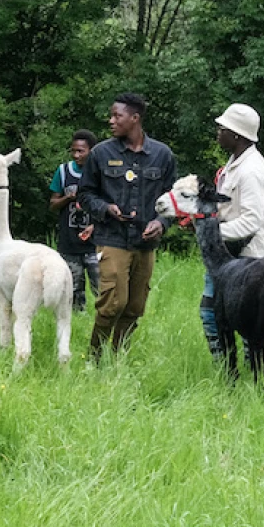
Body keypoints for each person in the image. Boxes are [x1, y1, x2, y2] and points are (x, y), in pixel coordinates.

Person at [78, 92, 177, 360]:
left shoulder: (162, 155)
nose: (111, 121)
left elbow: (173, 199)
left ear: (134, 118)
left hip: (145, 243)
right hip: (112, 238)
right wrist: (106, 209)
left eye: (116, 116)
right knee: (113, 303)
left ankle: (118, 356)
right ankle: (94, 358)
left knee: (134, 306)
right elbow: (85, 194)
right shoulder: (101, 153)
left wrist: (161, 223)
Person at [201, 103, 264, 359]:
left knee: (234, 315)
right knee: (215, 311)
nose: (218, 132)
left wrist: (211, 232)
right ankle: (229, 368)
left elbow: (251, 221)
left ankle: (239, 367)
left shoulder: (251, 170)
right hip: (231, 254)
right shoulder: (237, 162)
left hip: (249, 258)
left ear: (236, 135)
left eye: (222, 128)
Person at [49, 129, 101, 312]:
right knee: (72, 292)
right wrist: (68, 198)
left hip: (96, 243)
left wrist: (96, 225)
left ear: (91, 151)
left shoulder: (100, 173)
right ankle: (77, 322)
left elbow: (110, 205)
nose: (76, 155)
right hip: (69, 243)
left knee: (102, 288)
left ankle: (103, 320)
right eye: (74, 151)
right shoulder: (63, 171)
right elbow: (52, 204)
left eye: (81, 151)